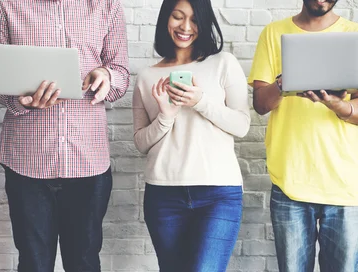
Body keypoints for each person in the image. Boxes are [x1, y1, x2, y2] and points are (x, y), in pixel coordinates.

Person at [0, 0, 130, 270]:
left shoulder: (107, 5)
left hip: (88, 162)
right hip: (26, 164)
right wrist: (20, 100)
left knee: (84, 261)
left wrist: (106, 75)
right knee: (34, 264)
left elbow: (121, 75)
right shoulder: (4, 4)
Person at [132, 0, 250, 271]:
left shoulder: (223, 63)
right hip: (163, 195)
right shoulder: (148, 75)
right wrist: (166, 115)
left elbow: (242, 125)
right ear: (166, 20)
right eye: (177, 17)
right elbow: (140, 142)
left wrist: (200, 101)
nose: (186, 27)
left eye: (195, 19)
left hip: (219, 193)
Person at [248, 0, 358, 271]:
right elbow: (261, 104)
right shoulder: (273, 34)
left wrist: (338, 105)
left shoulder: (354, 36)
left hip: (345, 185)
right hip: (291, 183)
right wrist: (285, 82)